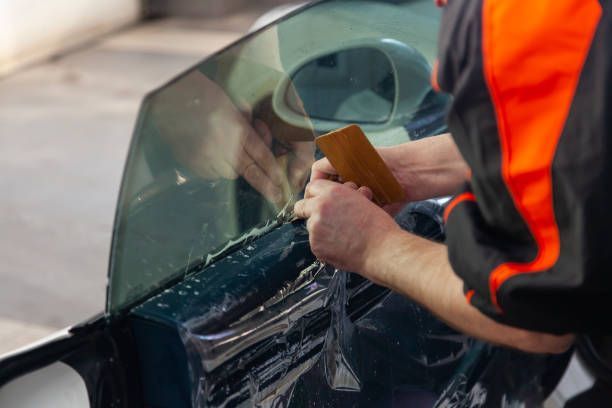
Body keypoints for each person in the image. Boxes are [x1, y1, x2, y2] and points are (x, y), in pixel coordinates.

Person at [294, 0, 610, 354]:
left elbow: (537, 312)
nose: (438, 74)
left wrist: (373, 247)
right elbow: (572, 135)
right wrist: (405, 170)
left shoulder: (512, 19)